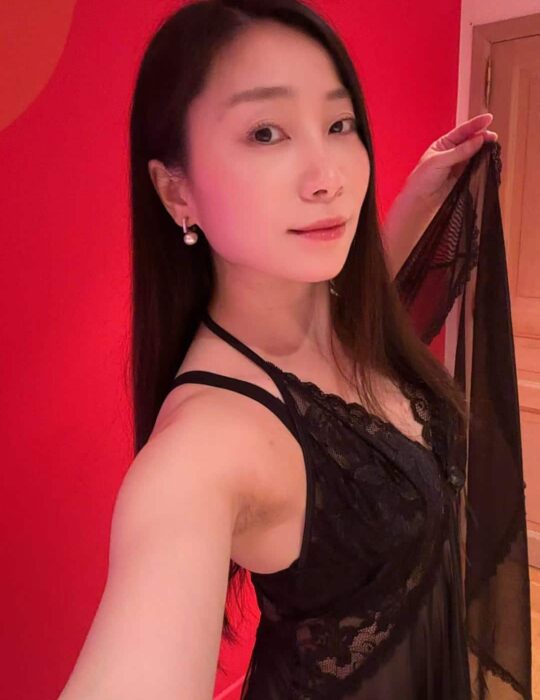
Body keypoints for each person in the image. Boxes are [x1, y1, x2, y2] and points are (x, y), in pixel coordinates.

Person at [58, 1, 530, 699]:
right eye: (266, 132)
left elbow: (362, 329)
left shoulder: (326, 315)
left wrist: (416, 201)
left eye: (339, 125)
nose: (328, 177)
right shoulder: (202, 451)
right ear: (176, 189)